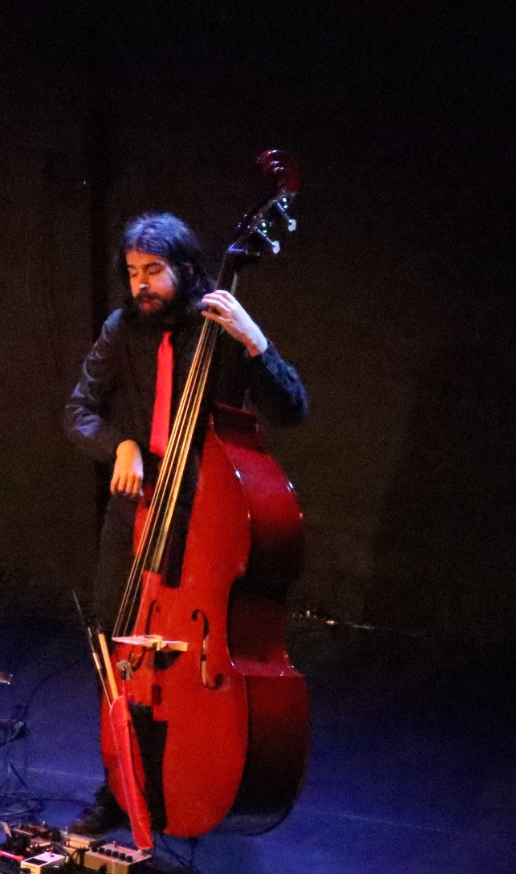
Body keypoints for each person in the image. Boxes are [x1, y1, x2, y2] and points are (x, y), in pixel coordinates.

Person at [62, 212, 309, 834]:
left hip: (207, 513)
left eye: (154, 271)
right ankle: (121, 784)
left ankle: (199, 774)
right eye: (133, 272)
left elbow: (292, 408)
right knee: (115, 645)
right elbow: (80, 410)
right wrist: (119, 446)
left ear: (189, 269)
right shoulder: (122, 328)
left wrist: (255, 342)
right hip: (138, 511)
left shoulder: (221, 324)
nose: (141, 284)